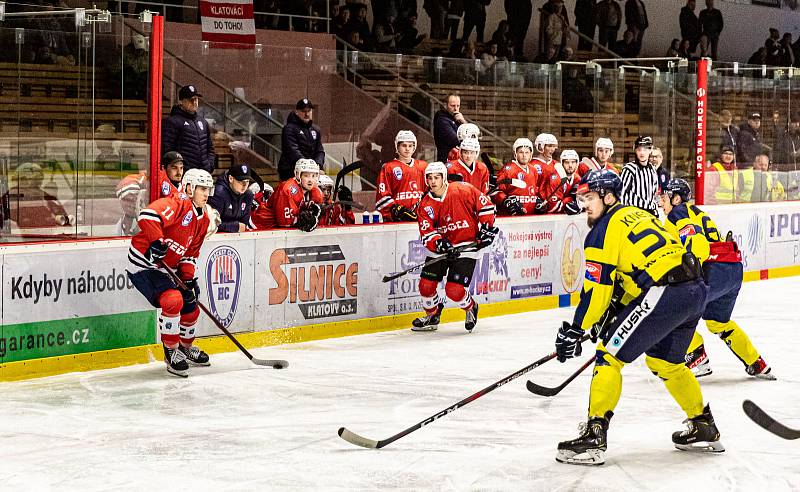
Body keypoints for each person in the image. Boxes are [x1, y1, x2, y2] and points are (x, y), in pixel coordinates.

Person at [554, 169, 721, 466]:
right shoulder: (639, 213)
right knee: (665, 362)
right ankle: (703, 424)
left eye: (590, 198)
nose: (585, 205)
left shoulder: (601, 232)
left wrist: (577, 329)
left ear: (608, 197)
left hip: (666, 292)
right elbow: (645, 265)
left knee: (609, 355)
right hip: (694, 288)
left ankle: (594, 435)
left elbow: (596, 294)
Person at [658, 178, 775, 381]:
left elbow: (699, 245)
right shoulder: (696, 212)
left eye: (664, 197)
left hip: (713, 270)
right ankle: (756, 362)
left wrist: (688, 273)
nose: (661, 202)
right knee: (717, 322)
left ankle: (696, 357)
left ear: (676, 198)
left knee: (671, 312)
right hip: (732, 268)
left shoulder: (678, 213)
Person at [127, 169, 217, 377]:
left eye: (208, 189)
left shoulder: (203, 219)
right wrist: (157, 241)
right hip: (144, 264)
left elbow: (191, 253)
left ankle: (185, 348)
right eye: (202, 188)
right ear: (189, 188)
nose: (206, 193)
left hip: (169, 267)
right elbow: (148, 215)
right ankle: (171, 351)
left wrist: (187, 276)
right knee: (173, 299)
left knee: (191, 304)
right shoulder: (178, 203)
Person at [412, 162, 498, 332]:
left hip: (466, 245)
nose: (433, 181)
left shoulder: (462, 189)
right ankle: (432, 315)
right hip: (441, 249)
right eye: (429, 178)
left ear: (444, 177)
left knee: (454, 290)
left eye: (436, 177)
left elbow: (486, 206)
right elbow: (426, 231)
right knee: (426, 286)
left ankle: (470, 307)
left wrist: (486, 228)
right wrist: (438, 242)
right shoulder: (425, 204)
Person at [251, 159, 324, 231]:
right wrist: (303, 221)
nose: (310, 180)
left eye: (313, 176)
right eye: (306, 175)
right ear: (298, 175)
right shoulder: (287, 190)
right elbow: (285, 223)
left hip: (277, 228)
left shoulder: (316, 192)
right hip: (261, 225)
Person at [161, 85, 216, 174]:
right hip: (184, 175)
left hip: (203, 174)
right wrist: (181, 169)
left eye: (196, 99)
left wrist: (209, 165)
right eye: (191, 100)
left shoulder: (202, 122)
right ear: (181, 101)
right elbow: (168, 150)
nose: (194, 102)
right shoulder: (172, 122)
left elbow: (210, 148)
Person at [375, 130, 428, 222]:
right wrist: (397, 210)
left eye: (410, 145)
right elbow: (382, 198)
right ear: (397, 147)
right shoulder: (388, 167)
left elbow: (430, 192)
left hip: (420, 219)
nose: (407, 149)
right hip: (396, 222)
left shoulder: (423, 166)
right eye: (404, 145)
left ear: (414, 147)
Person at [490, 138, 541, 215]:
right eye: (521, 152)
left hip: (530, 217)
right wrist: (507, 202)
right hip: (511, 218)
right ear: (515, 154)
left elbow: (534, 190)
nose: (524, 155)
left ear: (531, 154)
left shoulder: (533, 170)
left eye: (527, 152)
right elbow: (495, 192)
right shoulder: (508, 170)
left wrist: (538, 201)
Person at [278, 98, 325, 181]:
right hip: (291, 171)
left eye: (309, 111)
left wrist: (318, 164)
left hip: (311, 172)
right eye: (303, 111)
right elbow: (293, 151)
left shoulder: (315, 129)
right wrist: (309, 168)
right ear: (297, 112)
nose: (306, 114)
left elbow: (319, 151)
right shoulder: (289, 129)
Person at [208, 164, 254, 233]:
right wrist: (234, 226)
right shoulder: (218, 193)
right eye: (240, 181)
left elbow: (244, 224)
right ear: (231, 179)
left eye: (247, 181)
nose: (244, 185)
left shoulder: (248, 195)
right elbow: (211, 223)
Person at [619, 136, 659, 216]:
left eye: (645, 149)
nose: (642, 153)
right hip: (633, 214)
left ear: (650, 150)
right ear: (635, 150)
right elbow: (622, 193)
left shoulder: (652, 169)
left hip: (650, 213)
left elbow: (654, 193)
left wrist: (655, 209)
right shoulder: (629, 169)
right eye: (639, 149)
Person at [542, 149, 583, 214]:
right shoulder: (556, 179)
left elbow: (581, 202)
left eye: (573, 162)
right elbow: (553, 208)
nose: (570, 165)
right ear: (562, 163)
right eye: (567, 162)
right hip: (550, 218)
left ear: (577, 163)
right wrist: (570, 199)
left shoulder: (577, 178)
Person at [434, 94, 467, 162]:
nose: (456, 109)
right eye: (452, 106)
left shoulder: (457, 118)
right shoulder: (441, 120)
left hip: (459, 160)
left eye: (458, 106)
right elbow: (455, 140)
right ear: (445, 105)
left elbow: (474, 133)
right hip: (447, 161)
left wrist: (463, 121)